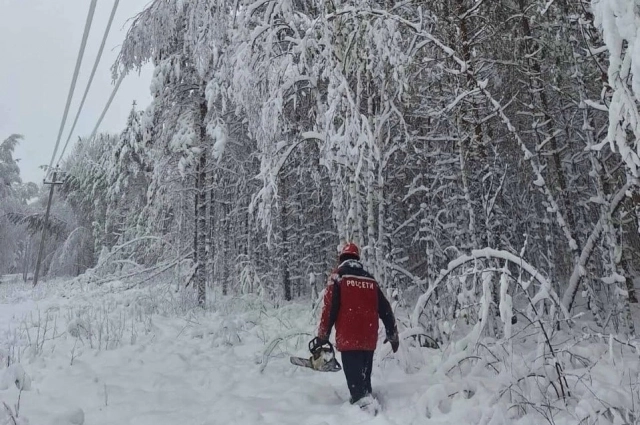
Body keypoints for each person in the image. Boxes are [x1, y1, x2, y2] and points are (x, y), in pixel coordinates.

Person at [312, 242, 399, 406]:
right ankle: (368, 405)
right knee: (365, 382)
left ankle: (364, 411)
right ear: (357, 258)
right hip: (368, 338)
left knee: (356, 388)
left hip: (348, 338)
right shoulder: (370, 280)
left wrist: (323, 336)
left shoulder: (338, 277)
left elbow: (329, 309)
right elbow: (385, 309)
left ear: (341, 259)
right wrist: (392, 333)